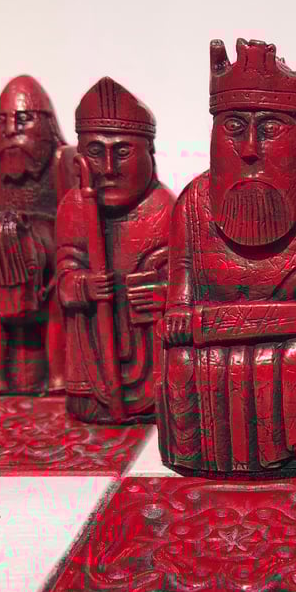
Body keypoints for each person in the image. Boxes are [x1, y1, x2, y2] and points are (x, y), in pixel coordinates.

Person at [156, 39, 296, 476]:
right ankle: (206, 456)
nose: (250, 147)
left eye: (270, 128)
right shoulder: (192, 204)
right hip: (220, 342)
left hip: (289, 338)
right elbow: (180, 298)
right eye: (234, 127)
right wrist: (179, 313)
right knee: (181, 363)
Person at [55, 77, 175, 423]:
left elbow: (188, 283)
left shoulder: (166, 208)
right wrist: (83, 286)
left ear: (149, 153)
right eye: (95, 152)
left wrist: (162, 294)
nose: (108, 168)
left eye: (122, 152)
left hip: (150, 356)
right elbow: (63, 277)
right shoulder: (73, 208)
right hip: (93, 359)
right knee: (88, 406)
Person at [0, 75, 75, 394]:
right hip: (3, 259)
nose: (11, 130)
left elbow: (74, 220)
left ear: (46, 124)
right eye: (2, 121)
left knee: (60, 293)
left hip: (54, 262)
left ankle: (59, 376)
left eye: (23, 119)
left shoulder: (62, 161)